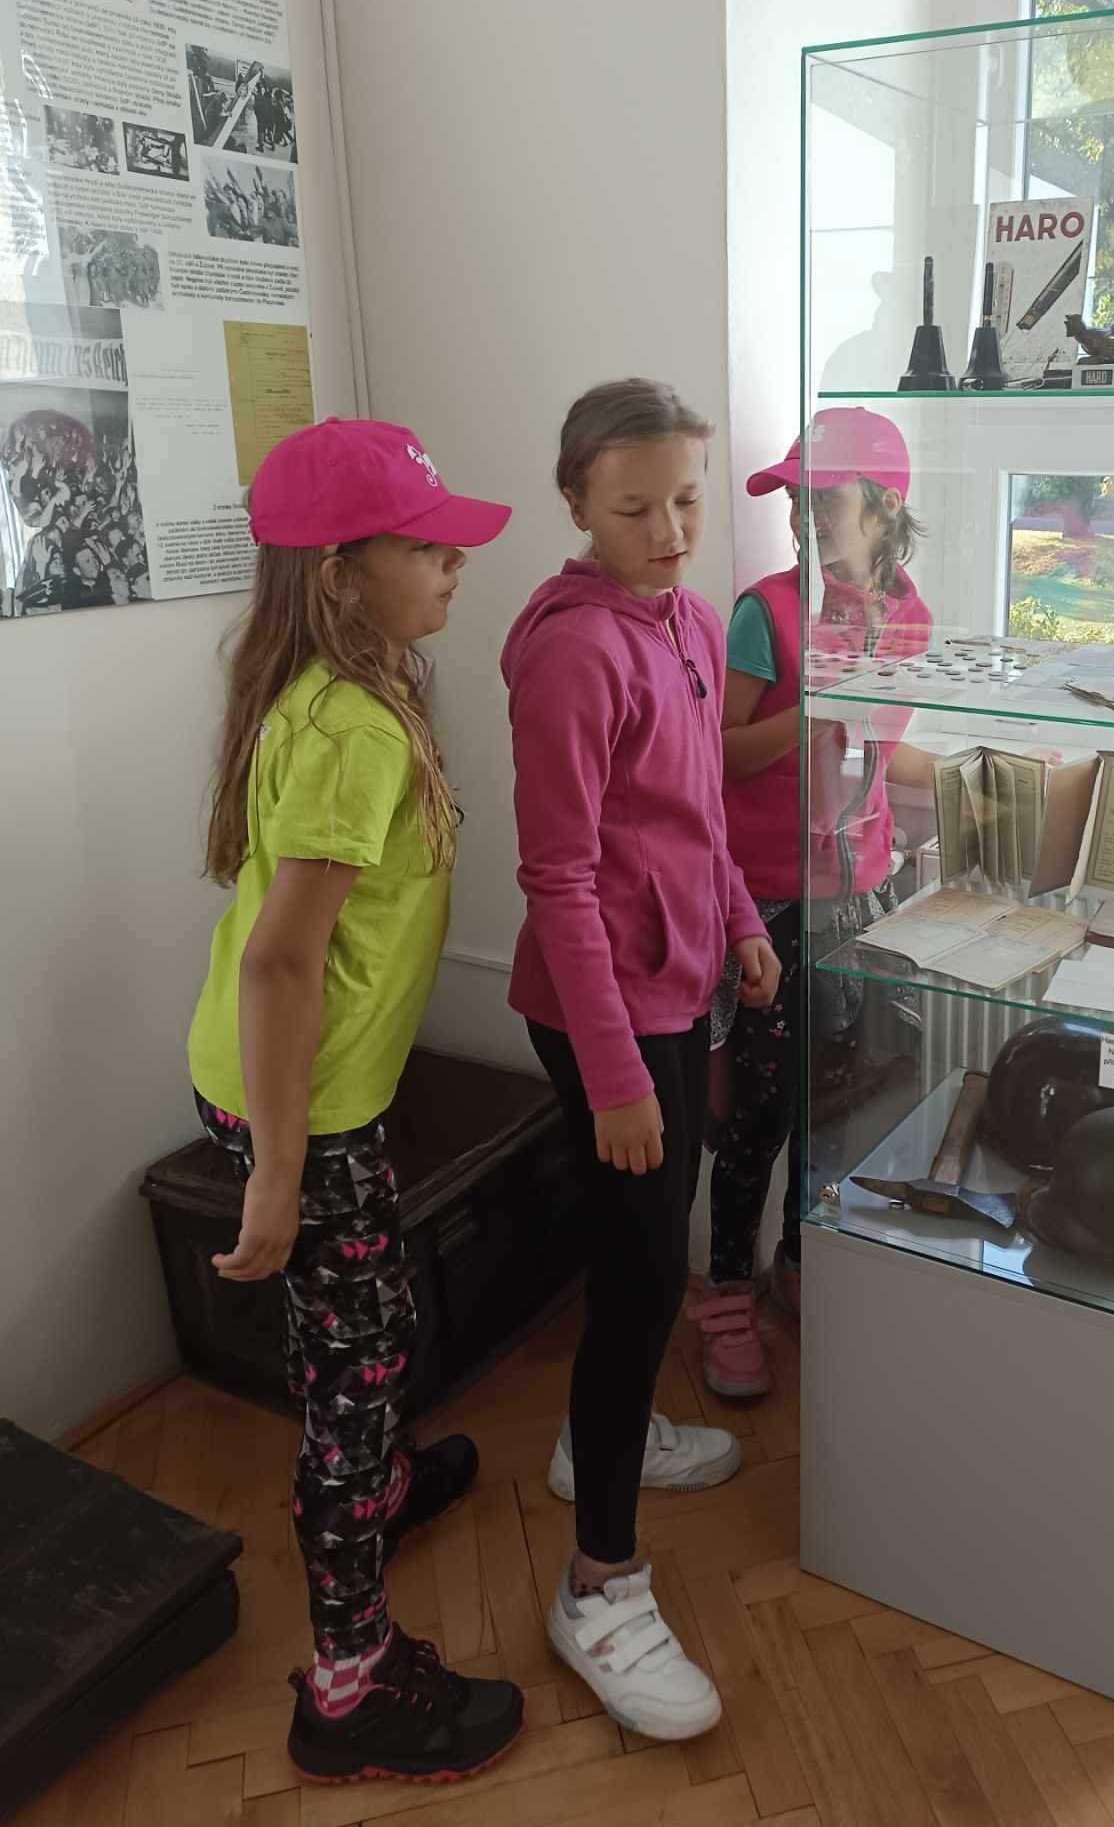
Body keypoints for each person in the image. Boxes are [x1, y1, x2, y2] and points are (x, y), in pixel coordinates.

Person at [186, 418, 525, 1787]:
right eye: (424, 546)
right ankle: (349, 1685)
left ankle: (377, 1490)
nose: (453, 564)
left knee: (362, 1326)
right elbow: (280, 961)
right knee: (354, 1378)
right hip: (304, 1114)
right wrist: (279, 1174)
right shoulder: (352, 734)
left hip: (303, 1097)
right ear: (339, 575)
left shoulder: (338, 699)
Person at [502, 377, 781, 1740]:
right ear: (577, 504)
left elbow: (696, 813)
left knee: (646, 1254)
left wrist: (742, 924)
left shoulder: (686, 620)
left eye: (684, 500)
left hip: (673, 983)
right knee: (637, 1275)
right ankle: (598, 1584)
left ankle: (592, 1442)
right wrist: (616, 1078)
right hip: (597, 1008)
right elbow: (559, 879)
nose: (669, 532)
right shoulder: (573, 654)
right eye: (633, 509)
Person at [691, 407, 934, 1397]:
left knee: (834, 1100)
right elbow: (717, 756)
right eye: (795, 497)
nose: (804, 515)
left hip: (859, 895)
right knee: (758, 1112)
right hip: (769, 902)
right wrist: (812, 712)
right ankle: (725, 1297)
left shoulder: (910, 619)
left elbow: (879, 751)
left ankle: (800, 1260)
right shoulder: (766, 610)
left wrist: (987, 778)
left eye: (824, 497)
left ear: (884, 509)